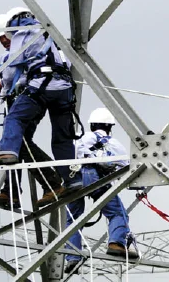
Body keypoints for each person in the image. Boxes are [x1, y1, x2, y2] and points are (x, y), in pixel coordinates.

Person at [0, 7, 83, 198]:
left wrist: (5, 90)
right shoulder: (48, 34)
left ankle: (7, 154)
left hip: (42, 86)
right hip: (65, 90)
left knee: (15, 121)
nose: (5, 40)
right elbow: (67, 63)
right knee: (62, 139)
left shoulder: (22, 33)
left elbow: (13, 66)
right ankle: (73, 179)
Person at [64, 108, 138, 274]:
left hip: (73, 178)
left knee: (73, 220)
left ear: (91, 125)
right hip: (94, 177)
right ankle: (116, 244)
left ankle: (72, 257)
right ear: (109, 126)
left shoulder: (81, 139)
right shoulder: (115, 144)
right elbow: (126, 167)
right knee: (117, 214)